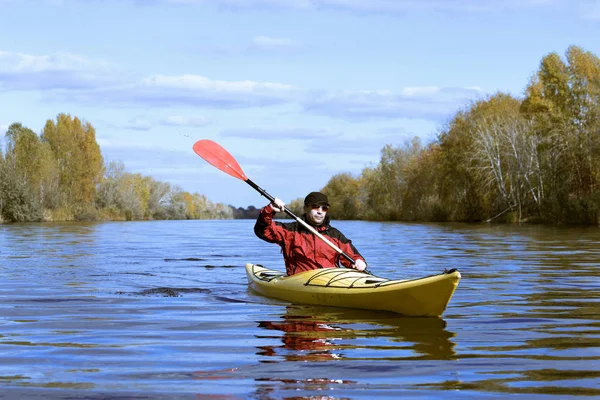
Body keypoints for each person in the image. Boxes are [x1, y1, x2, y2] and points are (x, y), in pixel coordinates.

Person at [254, 191, 367, 275]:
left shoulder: (335, 235)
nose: (320, 211)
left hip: (331, 280)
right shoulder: (290, 231)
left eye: (324, 208)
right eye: (315, 207)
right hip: (299, 282)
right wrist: (269, 210)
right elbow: (262, 231)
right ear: (306, 208)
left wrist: (358, 262)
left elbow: (352, 255)